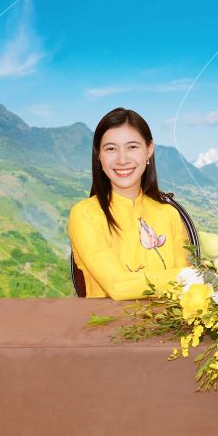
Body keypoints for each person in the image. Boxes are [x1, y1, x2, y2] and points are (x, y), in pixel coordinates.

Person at [68, 107, 191, 299]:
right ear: (99, 155)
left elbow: (189, 291)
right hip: (108, 327)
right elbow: (117, 286)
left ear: (149, 150)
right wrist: (192, 277)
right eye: (110, 149)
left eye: (132, 147)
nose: (122, 159)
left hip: (172, 328)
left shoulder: (169, 214)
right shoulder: (85, 215)